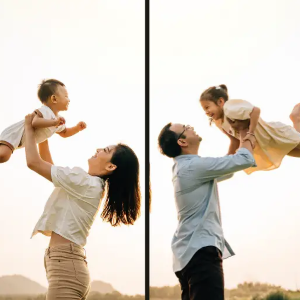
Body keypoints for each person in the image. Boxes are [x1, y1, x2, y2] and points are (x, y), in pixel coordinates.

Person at [24, 113, 141, 300]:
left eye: (106, 149)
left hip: (66, 268)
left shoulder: (86, 184)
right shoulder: (90, 185)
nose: (98, 149)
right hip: (68, 266)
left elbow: (34, 163)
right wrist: (43, 137)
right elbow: (48, 166)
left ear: (111, 167)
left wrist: (29, 128)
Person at [158, 122, 256, 300]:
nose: (191, 126)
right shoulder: (193, 167)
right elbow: (244, 159)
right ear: (182, 141)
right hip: (200, 252)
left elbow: (227, 169)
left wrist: (234, 140)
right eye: (187, 127)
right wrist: (246, 131)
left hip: (189, 254)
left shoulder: (186, 167)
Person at [200, 84, 300, 174]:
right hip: (269, 144)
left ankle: (295, 116)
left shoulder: (230, 108)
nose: (206, 112)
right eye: (204, 109)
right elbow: (234, 141)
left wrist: (251, 133)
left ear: (220, 101)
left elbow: (255, 110)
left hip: (275, 134)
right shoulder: (219, 122)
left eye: (207, 107)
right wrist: (227, 159)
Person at [0, 79, 86, 163]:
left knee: (4, 156)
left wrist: (77, 128)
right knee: (4, 155)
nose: (69, 100)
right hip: (14, 133)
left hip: (19, 140)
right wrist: (54, 123)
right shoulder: (45, 111)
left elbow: (65, 133)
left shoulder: (58, 119)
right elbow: (35, 122)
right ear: (54, 99)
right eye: (66, 96)